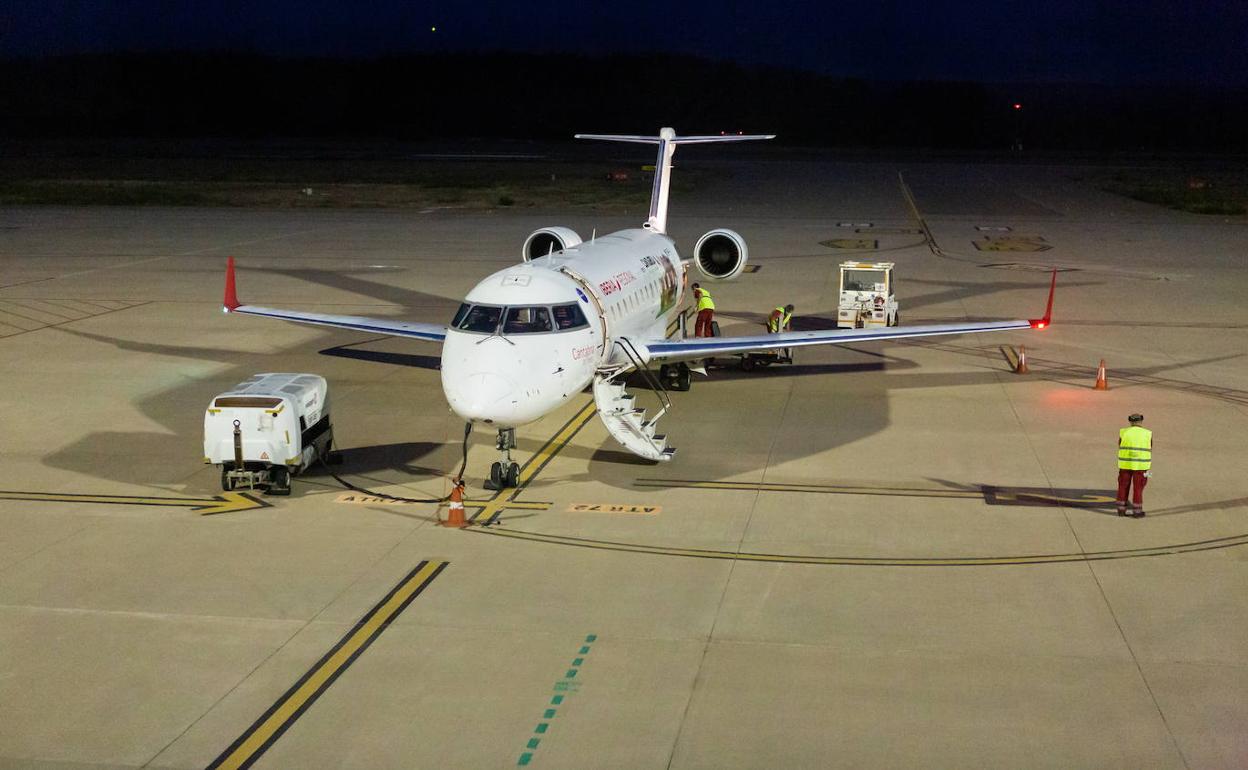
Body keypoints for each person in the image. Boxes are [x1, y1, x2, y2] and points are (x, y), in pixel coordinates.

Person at [1116, 413, 1152, 518]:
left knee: (1122, 486)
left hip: (1125, 464)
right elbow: (1150, 447)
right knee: (1139, 487)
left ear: (1130, 422)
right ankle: (1137, 511)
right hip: (1142, 466)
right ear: (1141, 421)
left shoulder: (1123, 432)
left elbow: (1120, 444)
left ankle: (1121, 510)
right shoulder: (1147, 433)